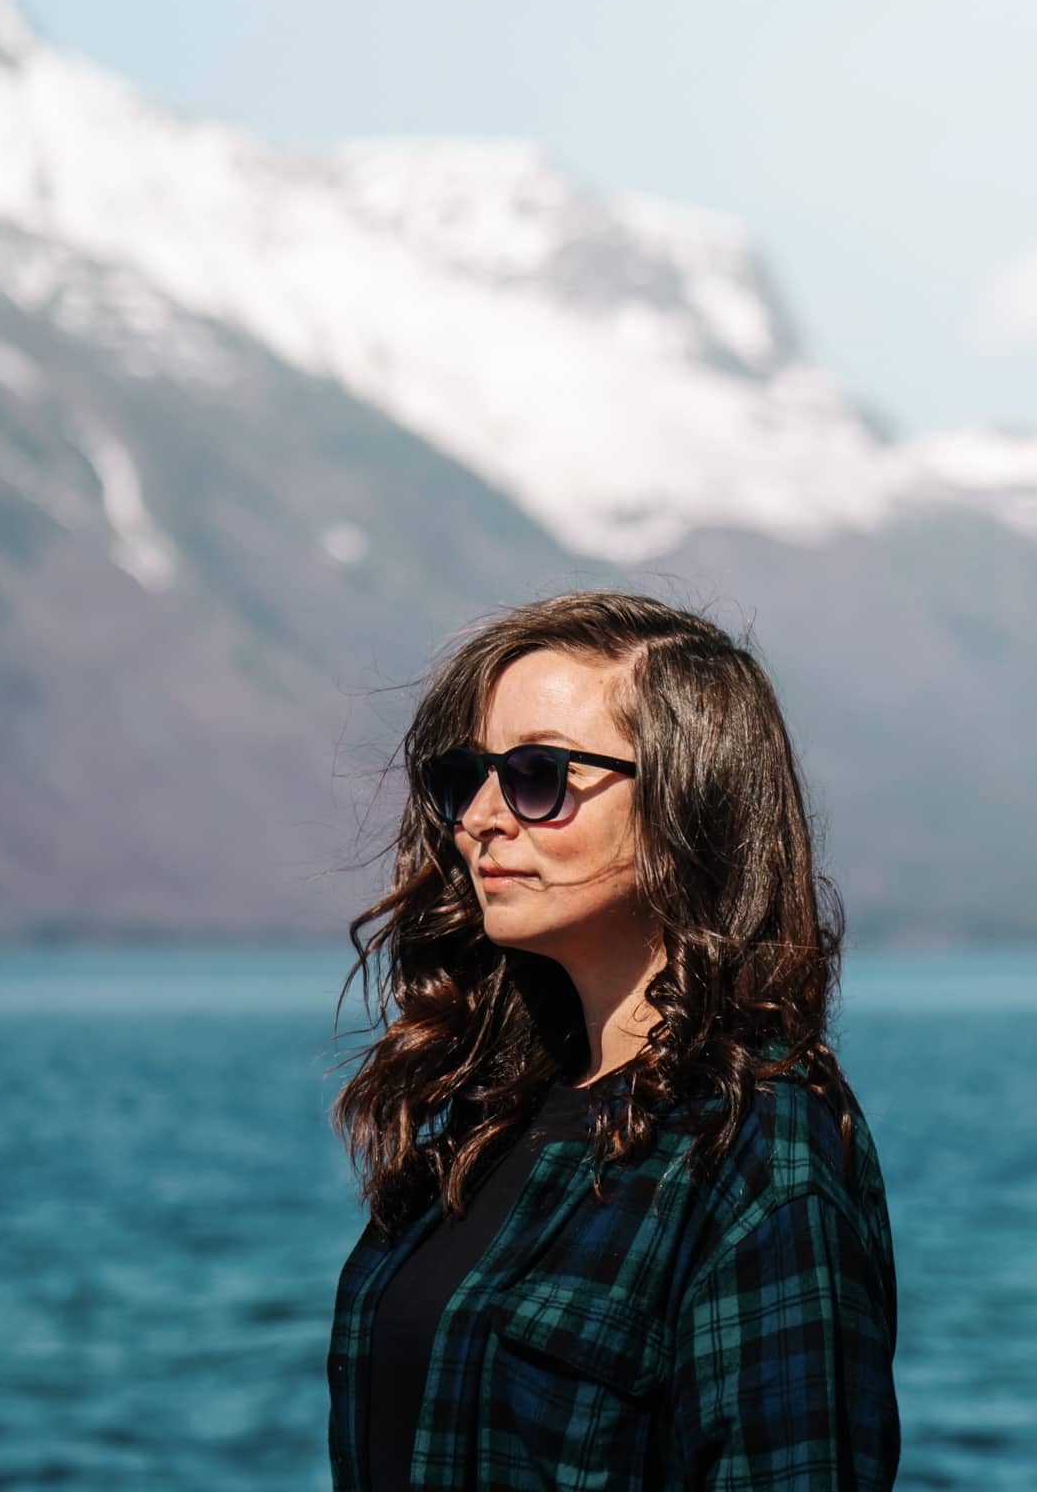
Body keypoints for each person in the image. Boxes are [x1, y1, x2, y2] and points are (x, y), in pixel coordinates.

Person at [326, 590, 899, 1490]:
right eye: (464, 778)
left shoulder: (758, 1153)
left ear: (687, 801)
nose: (481, 817)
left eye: (537, 775)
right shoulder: (488, 1121)